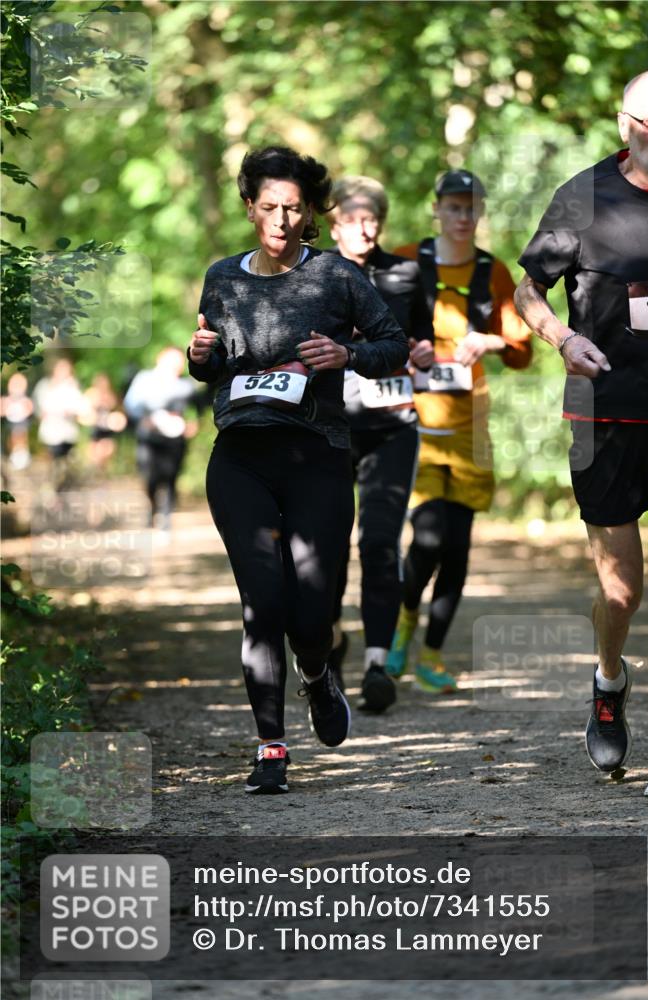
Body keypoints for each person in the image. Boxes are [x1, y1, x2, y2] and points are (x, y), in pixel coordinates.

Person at [188, 146, 408, 795]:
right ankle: (271, 750)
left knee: (310, 615)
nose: (280, 220)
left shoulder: (337, 276)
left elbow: (392, 346)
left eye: (292, 208)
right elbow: (211, 365)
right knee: (262, 603)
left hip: (317, 456)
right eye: (268, 207)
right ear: (248, 207)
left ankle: (316, 672)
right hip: (240, 459)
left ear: (310, 211)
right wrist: (199, 355)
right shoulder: (222, 278)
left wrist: (346, 353)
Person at [514, 69, 648, 801]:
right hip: (602, 416)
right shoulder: (583, 195)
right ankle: (609, 682)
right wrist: (558, 337)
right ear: (622, 125)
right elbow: (524, 289)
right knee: (622, 590)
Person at [387, 170, 532, 692]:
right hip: (417, 428)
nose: (463, 217)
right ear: (437, 210)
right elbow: (373, 331)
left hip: (471, 433)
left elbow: (521, 352)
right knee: (426, 540)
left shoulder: (493, 273)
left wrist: (488, 343)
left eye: (472, 208)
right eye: (454, 207)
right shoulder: (405, 260)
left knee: (459, 548)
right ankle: (401, 624)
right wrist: (408, 348)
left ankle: (431, 655)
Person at [326, 175, 434, 712]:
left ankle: (375, 665)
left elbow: (423, 336)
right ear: (332, 221)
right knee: (324, 547)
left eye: (373, 219)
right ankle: (329, 640)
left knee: (380, 542)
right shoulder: (314, 273)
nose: (364, 228)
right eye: (353, 218)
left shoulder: (406, 272)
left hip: (392, 424)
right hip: (326, 427)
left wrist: (424, 353)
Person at [123, 347, 198, 536]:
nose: (176, 365)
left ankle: (166, 519)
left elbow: (195, 408)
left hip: (175, 438)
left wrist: (192, 424)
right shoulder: (144, 379)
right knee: (150, 476)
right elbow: (130, 404)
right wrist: (143, 419)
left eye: (179, 362)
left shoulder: (186, 385)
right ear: (160, 359)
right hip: (149, 437)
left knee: (171, 478)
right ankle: (152, 508)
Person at [32, 357, 84, 488]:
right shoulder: (45, 385)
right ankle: (53, 485)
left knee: (65, 459)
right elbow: (39, 407)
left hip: (68, 431)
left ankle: (62, 484)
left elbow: (79, 406)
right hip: (52, 431)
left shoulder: (73, 386)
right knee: (55, 458)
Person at [80, 373, 127, 473]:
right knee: (95, 451)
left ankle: (102, 467)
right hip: (95, 427)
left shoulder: (111, 395)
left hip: (108, 427)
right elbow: (84, 411)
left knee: (109, 449)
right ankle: (96, 467)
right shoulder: (91, 394)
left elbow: (118, 410)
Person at [1, 372, 34, 471]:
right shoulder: (7, 400)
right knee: (12, 440)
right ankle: (13, 457)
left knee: (21, 439)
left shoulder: (25, 400)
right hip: (10, 423)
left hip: (22, 423)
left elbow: (30, 409)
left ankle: (22, 458)